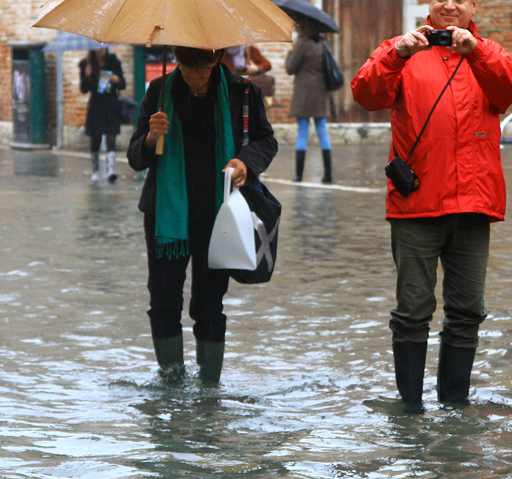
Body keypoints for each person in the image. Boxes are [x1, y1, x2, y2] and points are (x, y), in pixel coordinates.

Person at [351, 0, 512, 413]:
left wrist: (478, 51)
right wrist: (395, 52)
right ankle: (410, 408)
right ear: (427, 4)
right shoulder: (402, 52)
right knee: (412, 311)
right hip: (416, 204)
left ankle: (455, 405)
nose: (450, 6)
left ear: (474, 6)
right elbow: (365, 94)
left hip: (473, 203)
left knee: (467, 310)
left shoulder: (487, 55)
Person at [127, 45, 278, 383]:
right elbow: (135, 158)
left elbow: (266, 142)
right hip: (166, 219)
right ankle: (171, 380)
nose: (195, 77)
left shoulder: (243, 92)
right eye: (186, 68)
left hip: (219, 215)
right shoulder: (159, 91)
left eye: (203, 69)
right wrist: (151, 137)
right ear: (176, 61)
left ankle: (210, 385)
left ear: (216, 60)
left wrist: (245, 163)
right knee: (163, 301)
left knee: (209, 305)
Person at [285, 23, 333, 183]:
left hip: (304, 93)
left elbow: (290, 68)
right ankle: (328, 174)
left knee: (303, 131)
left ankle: (298, 175)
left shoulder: (302, 44)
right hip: (320, 92)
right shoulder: (322, 43)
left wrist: (290, 53)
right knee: (322, 130)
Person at [79, 48, 126, 182]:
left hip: (111, 104)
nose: (101, 50)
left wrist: (116, 80)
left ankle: (111, 170)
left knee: (111, 136)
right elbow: (83, 89)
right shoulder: (86, 64)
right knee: (95, 138)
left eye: (103, 47)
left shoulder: (113, 62)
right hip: (96, 105)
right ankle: (95, 170)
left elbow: (123, 84)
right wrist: (87, 76)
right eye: (98, 48)